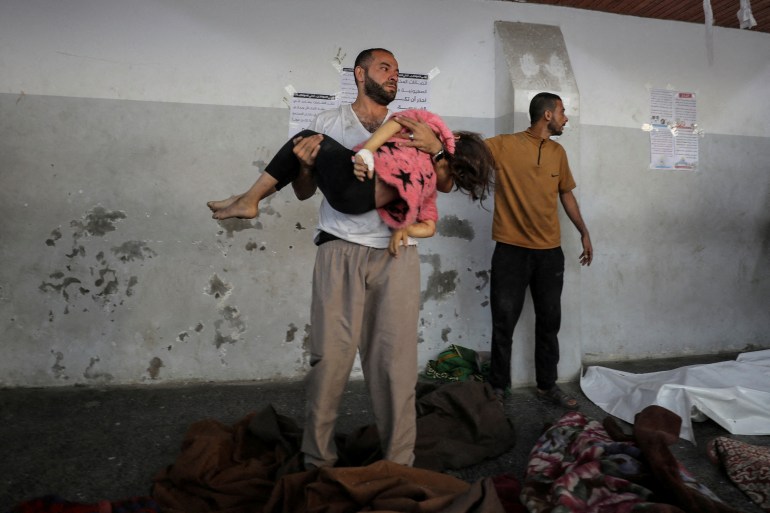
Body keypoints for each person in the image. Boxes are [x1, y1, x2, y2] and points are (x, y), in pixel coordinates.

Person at [253, 48, 453, 469]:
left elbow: (447, 185)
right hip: (339, 248)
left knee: (396, 364)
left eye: (397, 71)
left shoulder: (415, 126)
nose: (394, 76)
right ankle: (317, 459)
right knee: (330, 358)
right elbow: (305, 192)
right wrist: (306, 167)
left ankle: (399, 463)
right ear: (360, 74)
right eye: (385, 68)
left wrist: (436, 149)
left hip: (398, 253)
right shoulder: (328, 123)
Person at [206, 108, 492, 254]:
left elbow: (400, 121)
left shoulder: (428, 146)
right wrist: (405, 230)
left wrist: (369, 149)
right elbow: (428, 226)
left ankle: (249, 199)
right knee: (305, 148)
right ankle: (247, 198)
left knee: (306, 137)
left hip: (355, 189)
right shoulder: (425, 181)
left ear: (453, 142)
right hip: (350, 202)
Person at [485, 92, 593, 410]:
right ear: (547, 114)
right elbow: (468, 153)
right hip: (510, 251)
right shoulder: (503, 145)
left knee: (550, 322)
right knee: (503, 321)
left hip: (549, 253)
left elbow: (567, 196)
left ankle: (547, 386)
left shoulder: (558, 152)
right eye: (562, 111)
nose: (565, 117)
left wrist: (584, 231)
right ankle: (498, 386)